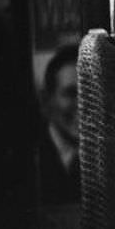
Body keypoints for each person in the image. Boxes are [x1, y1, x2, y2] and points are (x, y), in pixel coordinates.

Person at [37, 44, 81, 205]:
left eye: (89, 92)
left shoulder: (112, 153)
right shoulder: (32, 154)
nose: (83, 105)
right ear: (46, 100)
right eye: (71, 93)